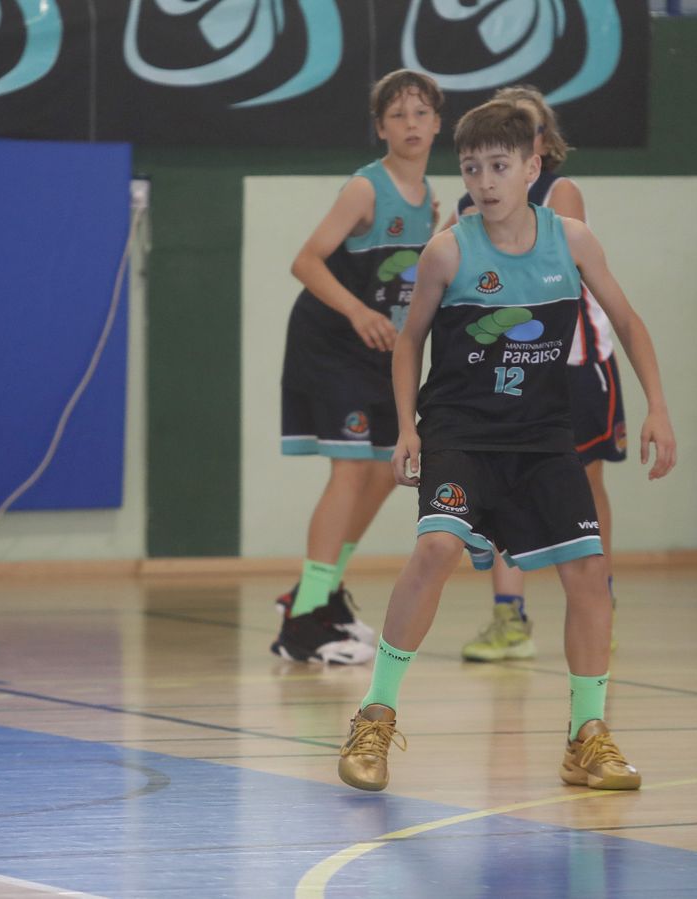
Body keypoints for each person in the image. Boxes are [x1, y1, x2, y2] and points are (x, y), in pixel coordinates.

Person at [335, 100, 677, 793]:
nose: (486, 182)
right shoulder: (448, 250)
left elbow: (628, 320)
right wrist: (407, 427)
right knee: (436, 547)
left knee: (589, 572)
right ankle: (374, 715)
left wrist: (658, 409)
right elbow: (409, 342)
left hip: (542, 437)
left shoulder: (572, 241)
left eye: (499, 166)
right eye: (472, 169)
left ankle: (586, 735)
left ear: (531, 165)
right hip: (460, 431)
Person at [444, 86, 627, 663]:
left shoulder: (559, 194)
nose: (491, 171)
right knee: (502, 487)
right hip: (507, 369)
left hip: (575, 363)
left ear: (537, 147)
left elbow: (550, 264)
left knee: (587, 485)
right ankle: (509, 615)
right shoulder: (469, 204)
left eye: (518, 131)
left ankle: (599, 602)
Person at [273, 70, 443, 665]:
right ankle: (302, 623)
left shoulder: (431, 201)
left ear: (437, 124)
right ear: (380, 128)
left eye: (421, 113)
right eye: (398, 115)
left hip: (378, 350)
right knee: (348, 471)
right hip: (332, 343)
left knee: (383, 473)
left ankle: (316, 593)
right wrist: (356, 312)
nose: (411, 124)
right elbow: (305, 261)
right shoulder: (366, 190)